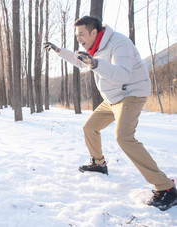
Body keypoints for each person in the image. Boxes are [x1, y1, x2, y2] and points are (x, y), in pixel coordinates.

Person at [44, 16, 176, 211]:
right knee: (90, 127)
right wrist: (59, 51)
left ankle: (166, 189)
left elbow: (123, 74)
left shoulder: (119, 43)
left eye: (81, 34)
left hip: (131, 93)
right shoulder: (95, 47)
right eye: (76, 35)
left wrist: (96, 64)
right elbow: (81, 62)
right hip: (113, 98)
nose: (78, 38)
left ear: (94, 32)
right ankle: (99, 164)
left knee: (124, 138)